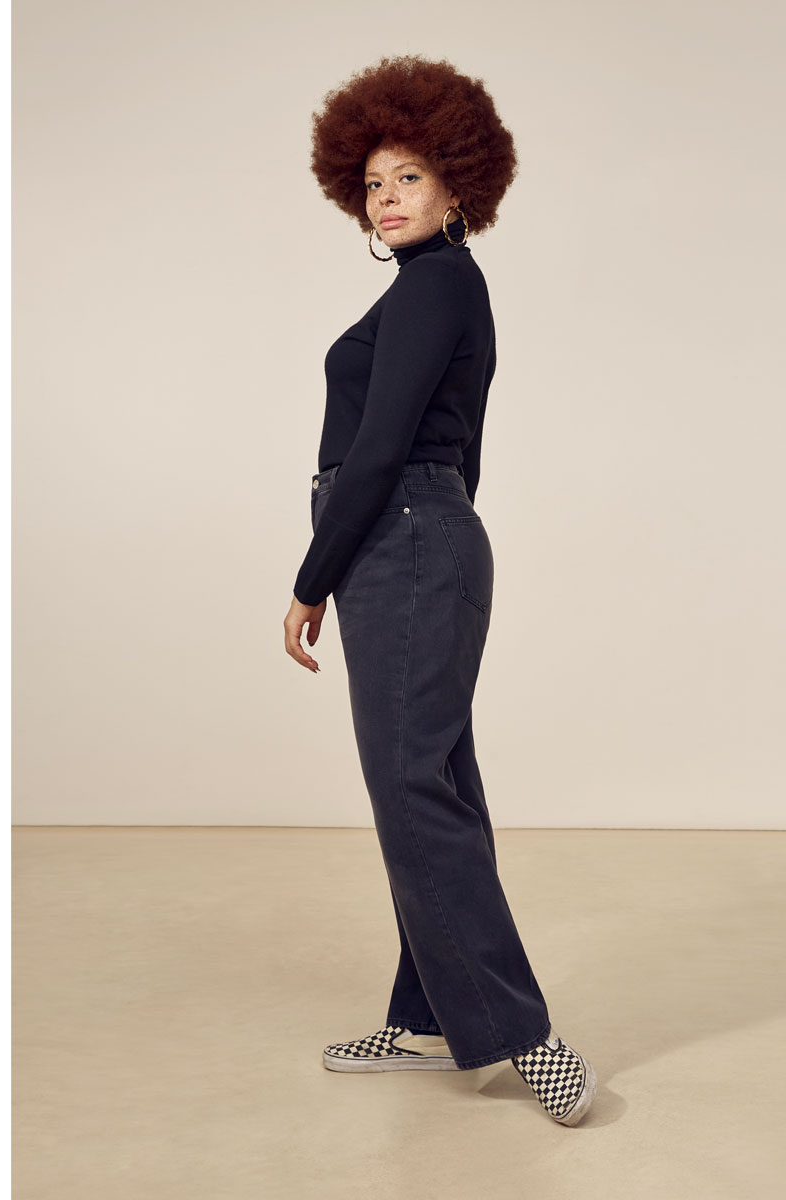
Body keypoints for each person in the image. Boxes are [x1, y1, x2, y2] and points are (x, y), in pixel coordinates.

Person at [281, 55, 597, 1127]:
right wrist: (427, 536)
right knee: (435, 782)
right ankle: (424, 1020)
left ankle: (526, 1035)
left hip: (401, 539)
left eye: (408, 177)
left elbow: (380, 450)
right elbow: (458, 453)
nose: (386, 198)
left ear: (459, 183)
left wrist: (316, 575)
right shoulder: (438, 289)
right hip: (425, 537)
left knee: (413, 789)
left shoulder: (438, 284)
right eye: (373, 183)